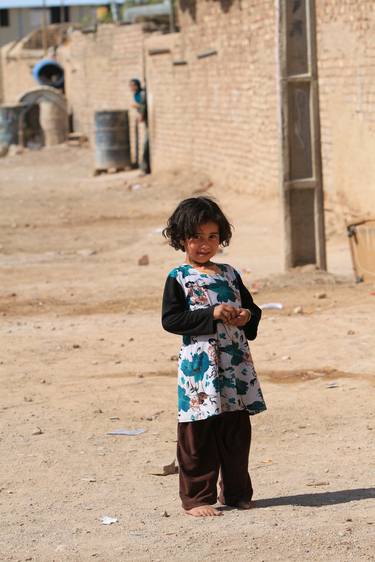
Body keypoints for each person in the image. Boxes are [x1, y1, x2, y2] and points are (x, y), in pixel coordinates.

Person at [161, 196, 266, 518]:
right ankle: (197, 498)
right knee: (198, 432)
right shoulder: (179, 277)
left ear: (221, 237)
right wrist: (213, 313)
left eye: (211, 237)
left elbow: (253, 309)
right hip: (200, 370)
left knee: (235, 431)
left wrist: (246, 316)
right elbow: (172, 320)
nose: (204, 245)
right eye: (195, 237)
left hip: (235, 366)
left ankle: (237, 494)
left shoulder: (230, 274)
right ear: (181, 239)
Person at [129, 78, 150, 174]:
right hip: (145, 120)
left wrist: (141, 114)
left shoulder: (141, 94)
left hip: (147, 121)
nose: (131, 87)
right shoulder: (136, 95)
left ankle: (145, 168)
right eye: (130, 85)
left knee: (146, 143)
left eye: (133, 85)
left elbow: (143, 105)